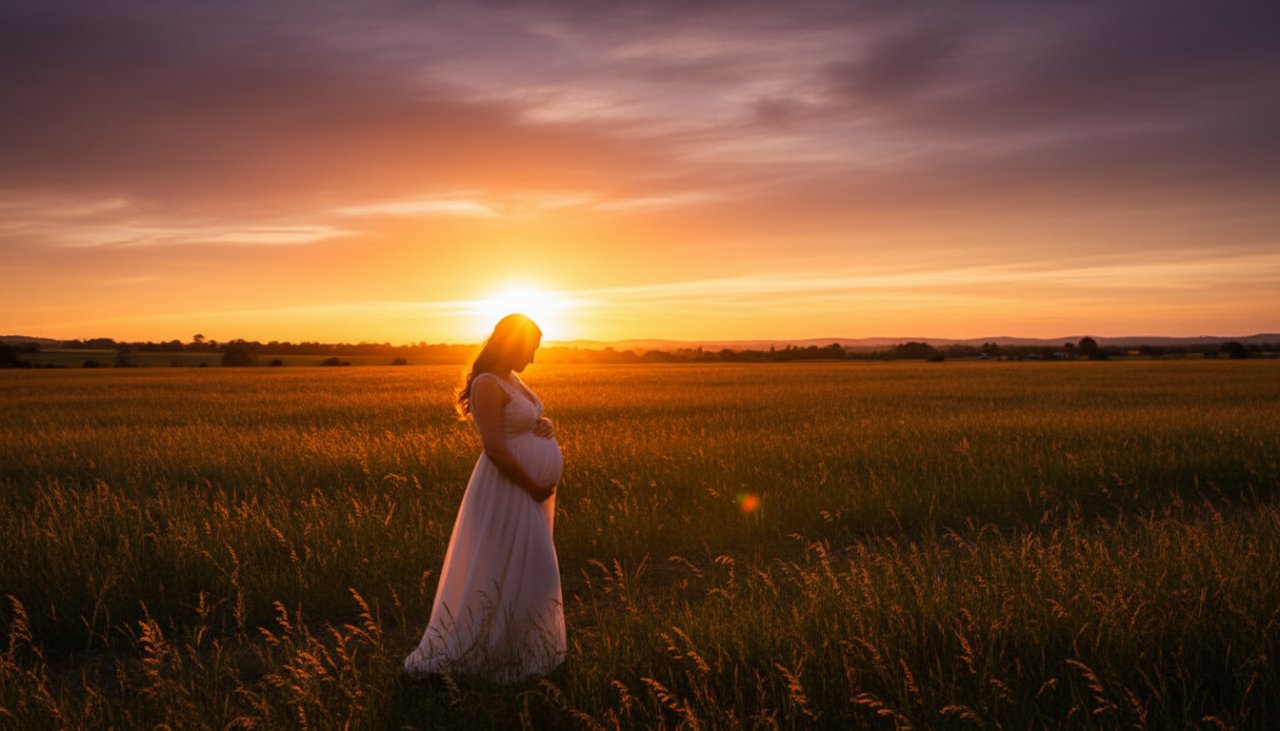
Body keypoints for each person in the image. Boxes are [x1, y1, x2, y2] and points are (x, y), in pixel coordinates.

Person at [404, 313, 565, 682]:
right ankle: (490, 653)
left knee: (529, 569)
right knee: (514, 568)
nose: (534, 358)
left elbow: (524, 424)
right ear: (512, 344)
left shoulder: (513, 381)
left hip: (526, 493)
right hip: (508, 490)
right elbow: (495, 449)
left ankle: (520, 648)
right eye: (531, 349)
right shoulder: (487, 385)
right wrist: (532, 484)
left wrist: (546, 425)